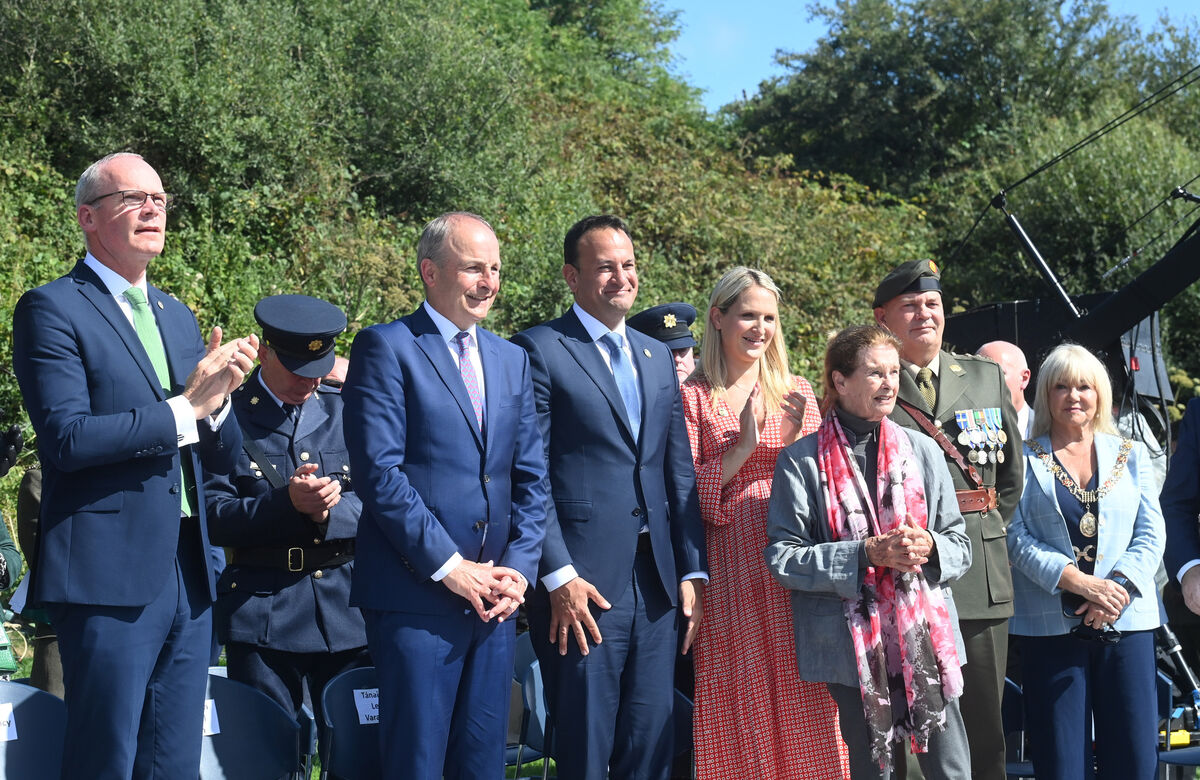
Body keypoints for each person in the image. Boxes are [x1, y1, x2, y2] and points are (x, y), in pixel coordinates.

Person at [11, 152, 257, 778]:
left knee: (173, 760)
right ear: (88, 218)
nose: (153, 209)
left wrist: (220, 405)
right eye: (133, 198)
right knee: (107, 759)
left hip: (188, 570)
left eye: (160, 199)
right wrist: (186, 407)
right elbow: (67, 439)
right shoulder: (52, 310)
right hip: (107, 574)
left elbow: (219, 457)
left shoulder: (178, 316)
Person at [342, 212, 548, 779]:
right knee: (417, 763)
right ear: (430, 271)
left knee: (483, 764)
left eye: (496, 269)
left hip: (496, 603)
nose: (489, 282)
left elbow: (530, 477)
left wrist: (520, 570)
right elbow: (379, 475)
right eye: (474, 268)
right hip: (417, 600)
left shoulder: (512, 359)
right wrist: (450, 567)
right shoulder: (386, 347)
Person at [512, 214, 707, 780]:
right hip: (581, 586)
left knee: (651, 742)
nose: (620, 278)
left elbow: (679, 473)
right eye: (604, 267)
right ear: (573, 278)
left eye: (628, 266)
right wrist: (557, 576)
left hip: (657, 584)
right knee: (586, 747)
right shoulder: (540, 349)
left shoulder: (654, 356)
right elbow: (531, 476)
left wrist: (693, 572)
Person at [766, 325, 972, 780]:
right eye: (875, 373)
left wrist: (932, 546)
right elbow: (782, 558)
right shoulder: (802, 461)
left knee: (951, 769)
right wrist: (864, 553)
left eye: (894, 371)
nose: (889, 383)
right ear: (840, 381)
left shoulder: (923, 449)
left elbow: (959, 543)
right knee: (875, 770)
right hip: (851, 645)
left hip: (926, 637)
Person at [680, 267, 848, 778]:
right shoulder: (692, 393)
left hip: (792, 558)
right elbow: (684, 491)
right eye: (748, 315)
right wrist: (746, 446)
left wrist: (798, 445)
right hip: (727, 561)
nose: (760, 328)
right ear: (718, 317)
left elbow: (827, 487)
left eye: (769, 317)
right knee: (739, 687)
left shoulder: (795, 388)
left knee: (806, 690)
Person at [873, 258, 1022, 780]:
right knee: (910, 729)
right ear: (883, 318)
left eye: (932, 304)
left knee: (985, 727)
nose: (924, 315)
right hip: (902, 577)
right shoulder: (872, 384)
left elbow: (1009, 481)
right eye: (909, 306)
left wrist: (969, 532)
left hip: (977, 575)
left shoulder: (982, 378)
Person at [205, 294, 369, 731]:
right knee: (269, 752)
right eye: (297, 370)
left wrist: (328, 515)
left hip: (348, 611)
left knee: (359, 754)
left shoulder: (346, 410)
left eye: (317, 371)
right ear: (263, 351)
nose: (309, 383)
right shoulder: (225, 414)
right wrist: (286, 505)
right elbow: (214, 514)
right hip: (265, 612)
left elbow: (386, 498)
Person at [1007, 343, 1164, 779]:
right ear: (1044, 395)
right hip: (1049, 628)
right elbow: (1013, 537)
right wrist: (1077, 582)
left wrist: (1114, 590)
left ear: (1101, 394)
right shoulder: (1022, 458)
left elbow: (1152, 534)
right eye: (1061, 386)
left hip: (1126, 621)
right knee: (1061, 762)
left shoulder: (1131, 455)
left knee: (1134, 757)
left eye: (1084, 386)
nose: (1073, 396)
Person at [628, 302, 698, 383]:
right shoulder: (639, 393)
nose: (677, 359)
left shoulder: (712, 391)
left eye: (683, 350)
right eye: (668, 353)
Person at [978, 340, 1033, 438]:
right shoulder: (966, 432)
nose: (986, 382)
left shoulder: (1051, 431)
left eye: (997, 373)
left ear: (1024, 378)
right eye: (979, 375)